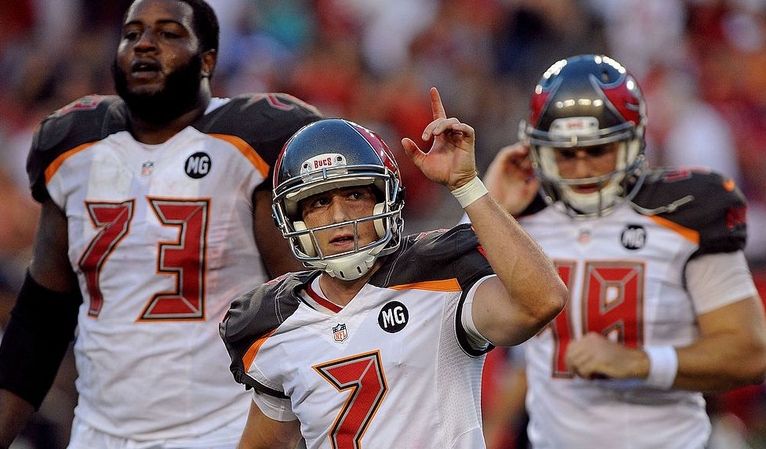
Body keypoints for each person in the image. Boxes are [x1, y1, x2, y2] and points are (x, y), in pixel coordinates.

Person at [0, 0, 321, 447]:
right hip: (99, 432)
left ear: (207, 58)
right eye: (132, 33)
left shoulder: (252, 141)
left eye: (169, 33)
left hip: (224, 430)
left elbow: (309, 308)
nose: (145, 45)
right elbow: (41, 316)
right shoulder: (72, 148)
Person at [219, 88, 568, 448]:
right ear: (294, 219)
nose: (339, 217)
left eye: (354, 195)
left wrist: (466, 186)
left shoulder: (439, 280)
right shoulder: (273, 321)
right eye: (319, 202)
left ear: (385, 200)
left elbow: (542, 301)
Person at [481, 54, 766, 448]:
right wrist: (487, 205)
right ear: (537, 150)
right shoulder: (522, 216)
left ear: (631, 141)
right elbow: (441, 298)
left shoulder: (683, 214)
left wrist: (641, 362)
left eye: (597, 150)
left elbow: (749, 353)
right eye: (566, 154)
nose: (582, 169)